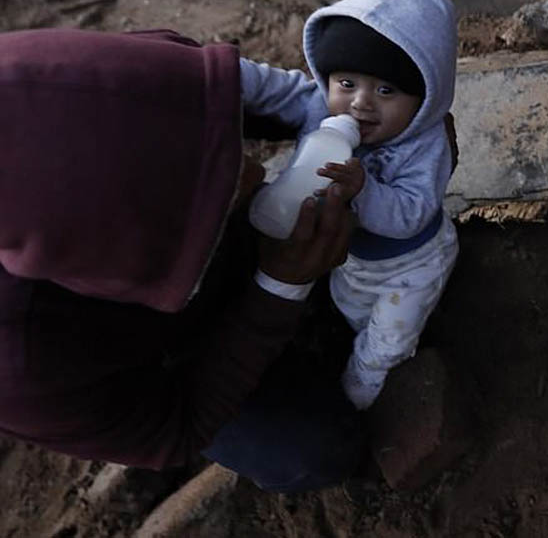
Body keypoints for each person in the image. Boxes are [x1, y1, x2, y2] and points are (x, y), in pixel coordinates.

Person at [0, 28, 364, 491]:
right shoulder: (20, 369)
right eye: (221, 194)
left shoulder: (67, 78)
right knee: (311, 449)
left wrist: (335, 125)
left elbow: (246, 91)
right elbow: (178, 429)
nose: (256, 174)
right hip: (159, 361)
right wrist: (279, 286)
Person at [238, 0, 459, 411]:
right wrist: (217, 72)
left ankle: (364, 383)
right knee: (352, 311)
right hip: (354, 260)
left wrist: (366, 191)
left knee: (389, 339)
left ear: (425, 97)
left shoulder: (425, 145)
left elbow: (413, 213)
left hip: (410, 266)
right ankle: (347, 339)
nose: (359, 104)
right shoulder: (322, 108)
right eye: (346, 82)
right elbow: (268, 88)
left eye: (385, 91)